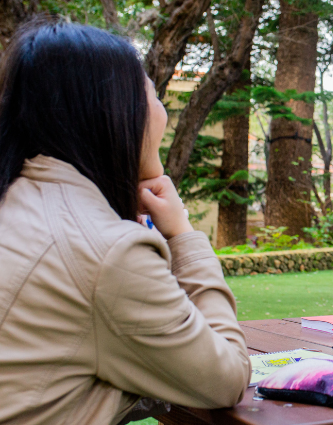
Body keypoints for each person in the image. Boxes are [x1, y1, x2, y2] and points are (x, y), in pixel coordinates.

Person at [0, 22, 249, 424]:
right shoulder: (105, 252)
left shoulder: (20, 203)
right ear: (112, 112)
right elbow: (227, 377)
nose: (163, 112)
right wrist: (183, 233)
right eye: (152, 94)